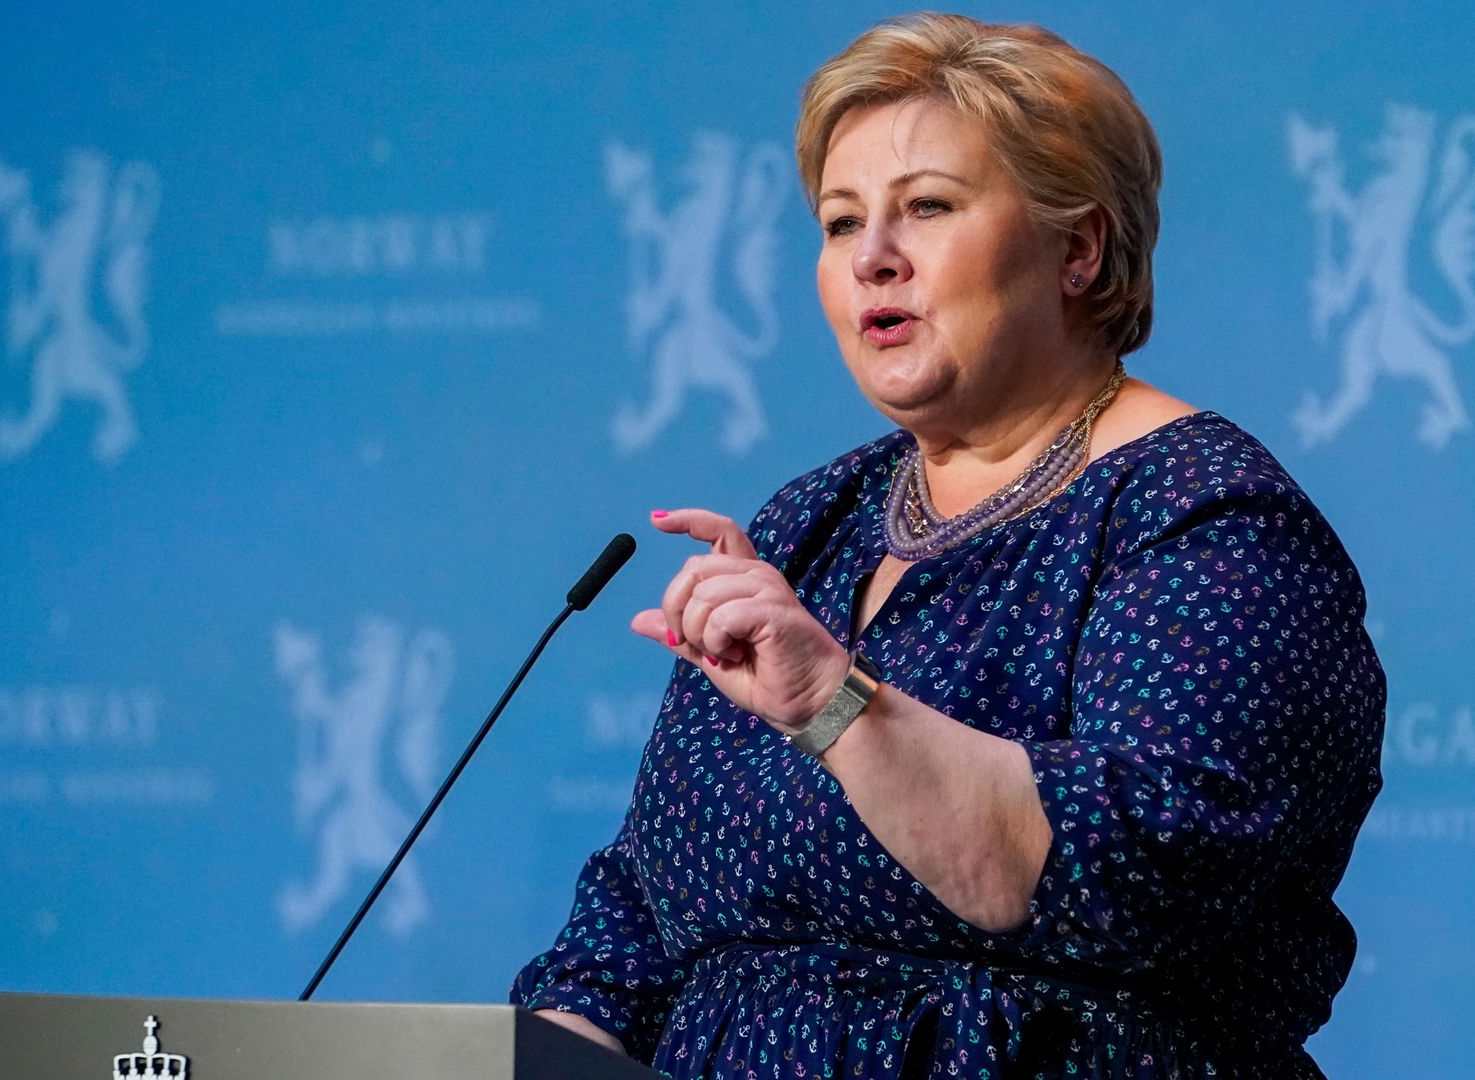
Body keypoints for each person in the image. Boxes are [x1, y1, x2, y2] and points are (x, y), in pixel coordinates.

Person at [512, 13, 1385, 1079]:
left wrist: (836, 705)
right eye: (840, 223)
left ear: (1079, 248)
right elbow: (645, 913)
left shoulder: (1207, 520)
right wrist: (555, 1048)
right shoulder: (808, 523)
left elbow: (1131, 877)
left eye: (926, 207)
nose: (873, 258)